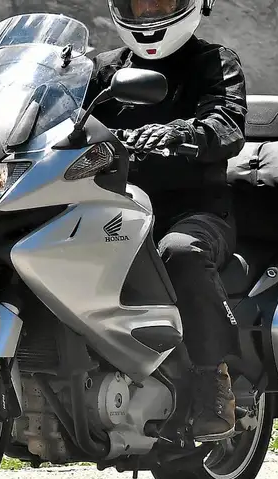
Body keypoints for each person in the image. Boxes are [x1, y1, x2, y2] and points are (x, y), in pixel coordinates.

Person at [84, 0, 248, 441]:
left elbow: (228, 122)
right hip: (111, 205)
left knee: (180, 252)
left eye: (160, 2)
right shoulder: (102, 70)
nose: (148, 14)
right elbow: (58, 117)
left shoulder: (213, 63)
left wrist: (184, 132)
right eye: (138, 4)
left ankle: (212, 380)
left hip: (194, 210)